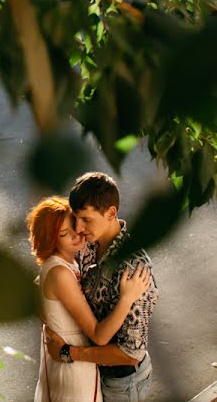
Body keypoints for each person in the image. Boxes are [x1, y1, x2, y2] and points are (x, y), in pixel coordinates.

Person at [45, 172, 160, 402]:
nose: (79, 227)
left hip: (123, 384)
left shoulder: (135, 269)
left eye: (86, 219)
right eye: (76, 218)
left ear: (111, 213)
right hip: (93, 372)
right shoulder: (88, 244)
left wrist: (69, 353)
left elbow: (131, 354)